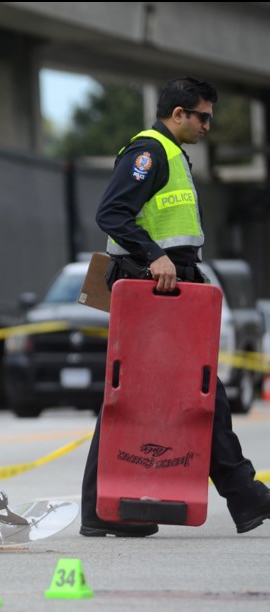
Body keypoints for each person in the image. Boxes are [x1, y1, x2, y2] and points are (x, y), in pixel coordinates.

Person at [80, 76, 270, 537]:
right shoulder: (149, 153)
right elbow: (111, 214)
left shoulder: (172, 155)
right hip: (152, 288)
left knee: (171, 397)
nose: (208, 125)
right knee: (194, 395)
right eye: (202, 116)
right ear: (178, 114)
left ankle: (104, 511)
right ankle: (245, 496)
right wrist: (156, 256)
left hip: (169, 288)